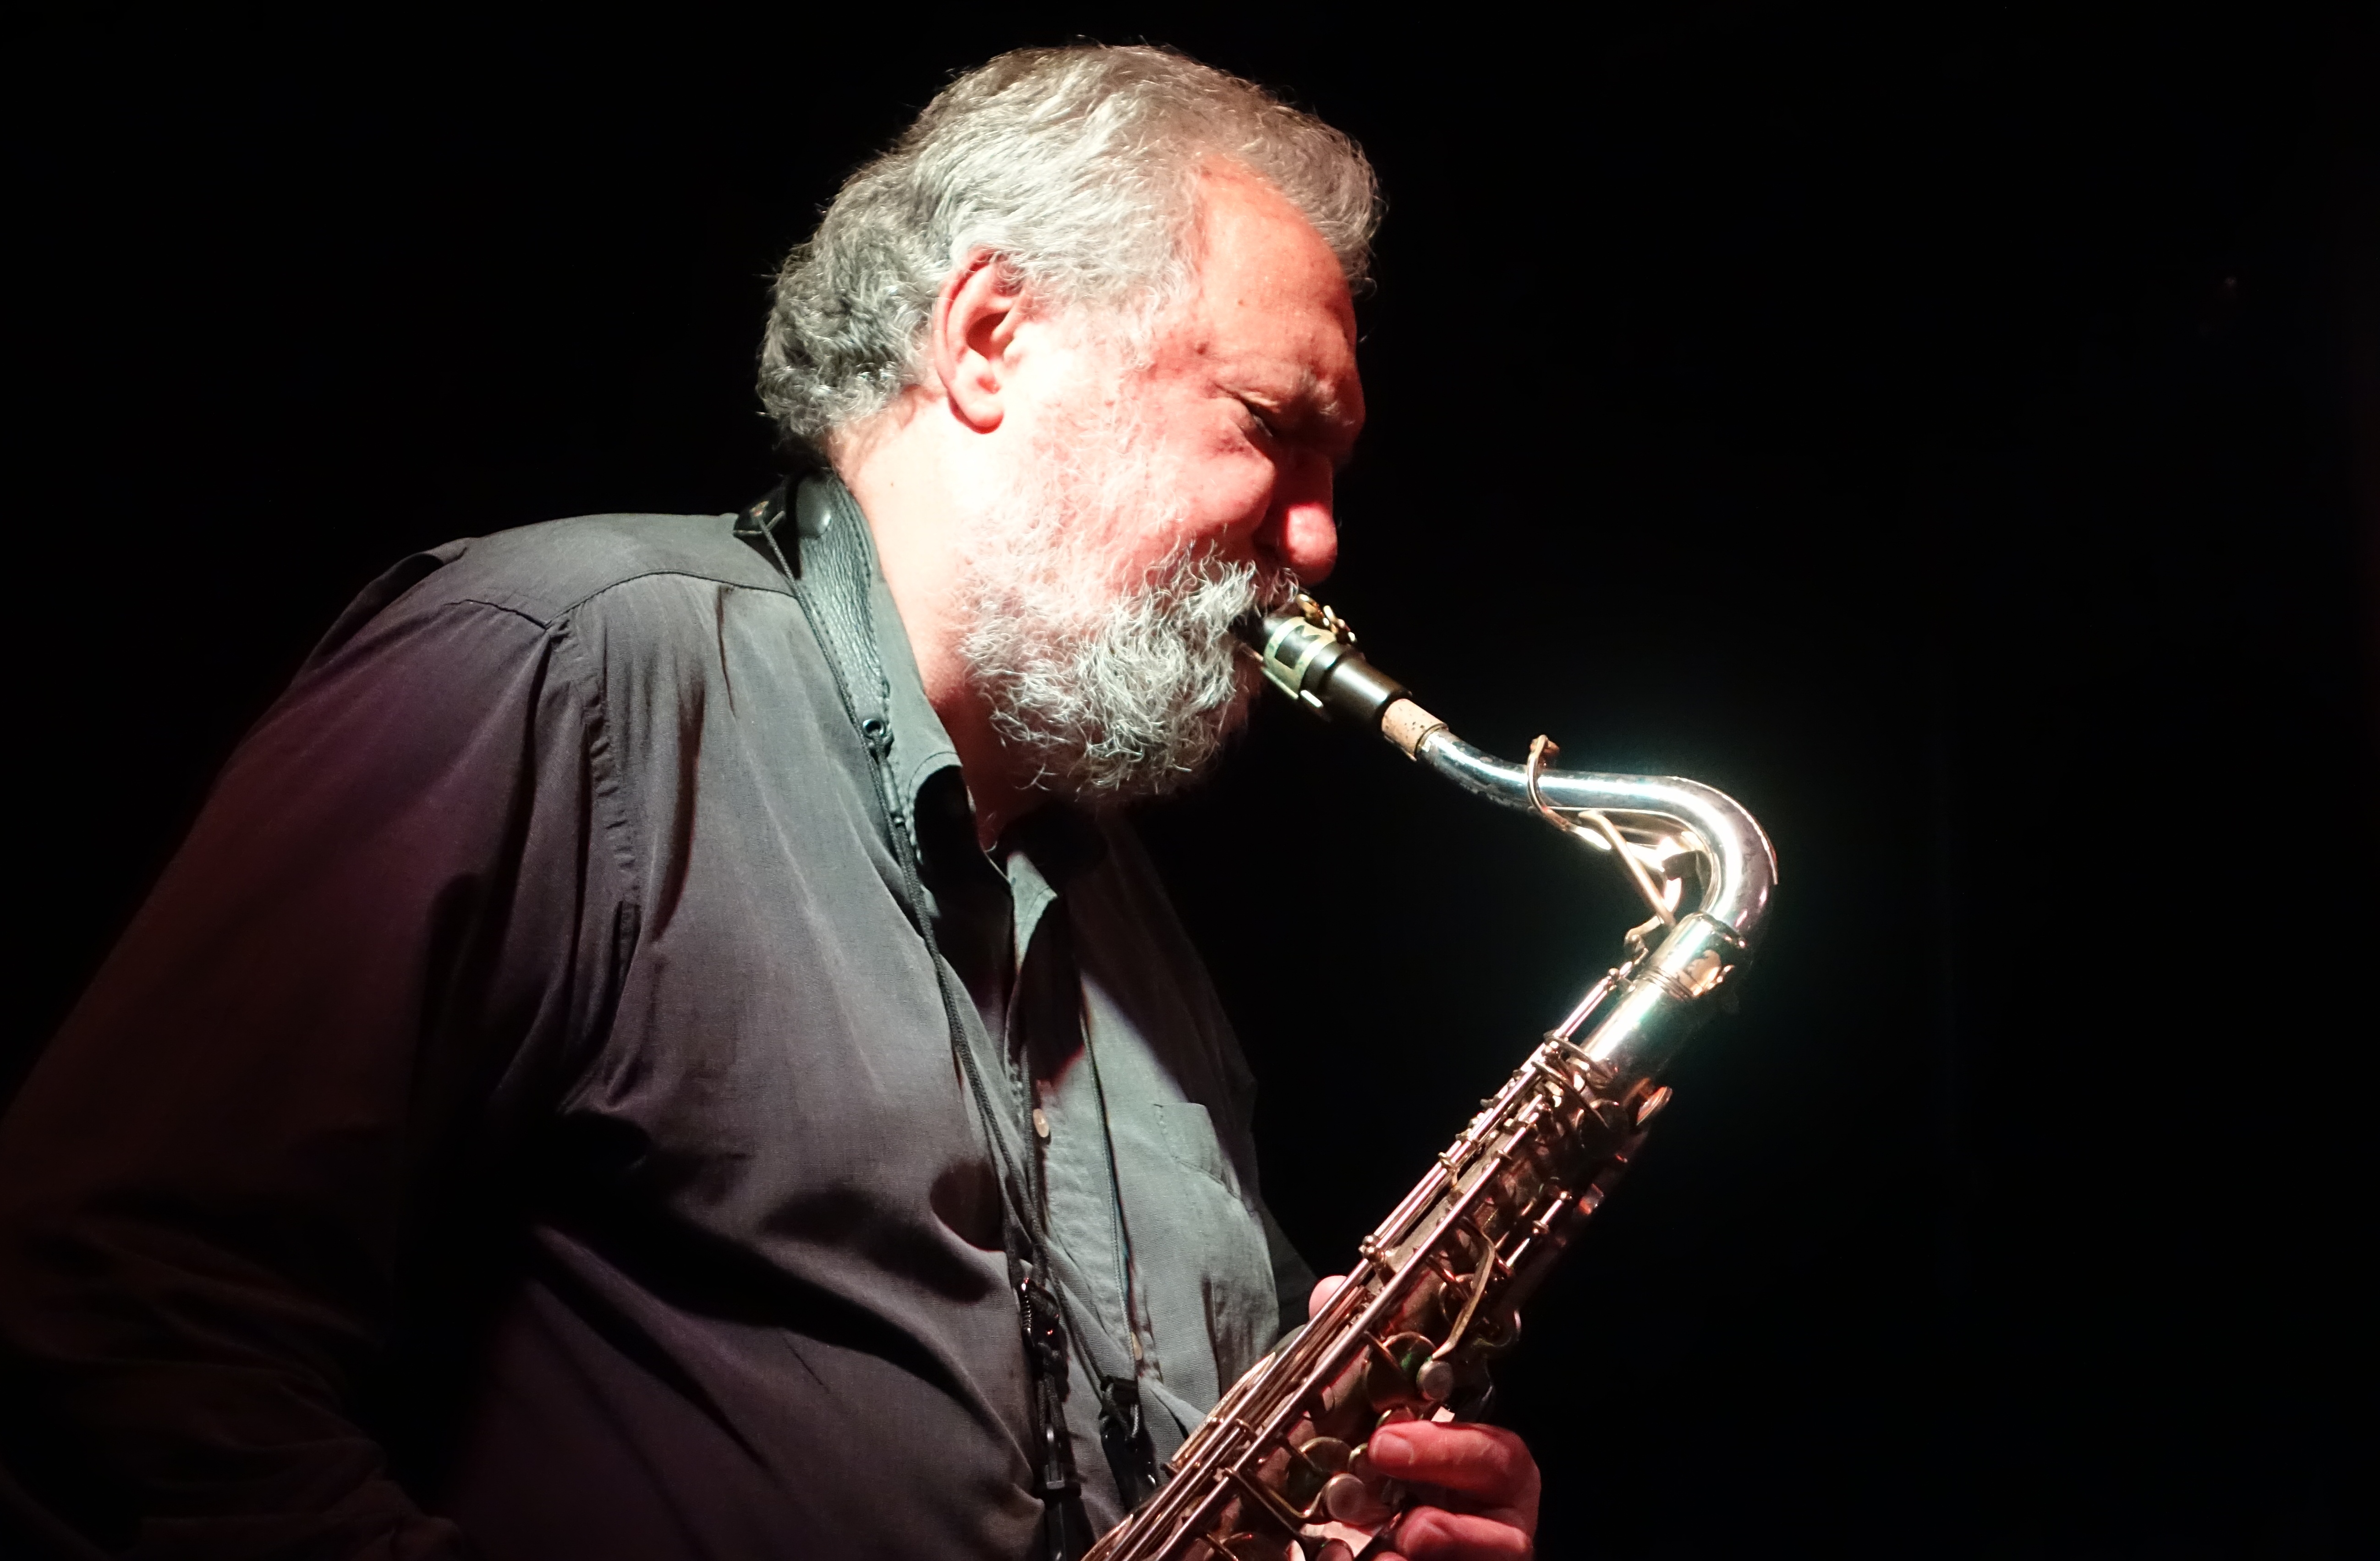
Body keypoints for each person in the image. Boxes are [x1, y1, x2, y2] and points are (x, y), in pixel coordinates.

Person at [0, 45, 1540, 1561]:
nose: (1322, 539)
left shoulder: (1126, 915)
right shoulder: (568, 658)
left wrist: (1365, 1525)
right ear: (990, 337)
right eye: (1272, 427)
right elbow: (107, 1314)